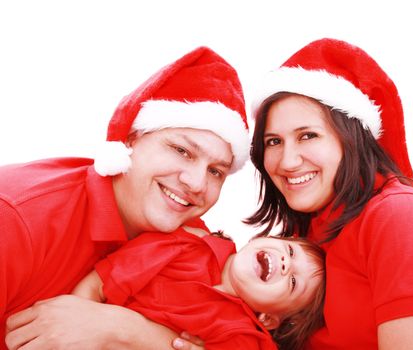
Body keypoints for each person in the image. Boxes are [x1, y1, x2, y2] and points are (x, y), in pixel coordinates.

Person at [246, 38, 413, 349]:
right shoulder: (309, 228)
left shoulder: (400, 218)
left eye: (308, 136)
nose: (287, 161)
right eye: (273, 141)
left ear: (352, 140)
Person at [1, 46, 251, 350]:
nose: (197, 184)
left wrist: (125, 329)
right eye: (182, 151)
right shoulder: (15, 218)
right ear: (131, 139)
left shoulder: (190, 240)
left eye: (216, 171)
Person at [72, 225, 325, 350]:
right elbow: (97, 285)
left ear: (268, 319)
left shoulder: (244, 337)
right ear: (263, 239)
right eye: (290, 251)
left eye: (293, 282)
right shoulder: (186, 244)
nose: (285, 263)